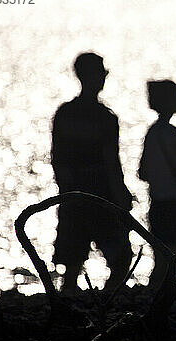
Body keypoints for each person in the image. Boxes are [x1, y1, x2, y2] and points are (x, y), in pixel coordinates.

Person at [51, 52, 133, 293]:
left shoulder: (65, 114)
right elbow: (111, 162)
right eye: (101, 73)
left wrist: (67, 192)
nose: (104, 78)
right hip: (101, 197)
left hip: (74, 196)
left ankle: (70, 308)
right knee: (120, 258)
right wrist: (121, 196)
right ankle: (105, 302)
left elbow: (58, 159)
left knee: (73, 262)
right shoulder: (105, 118)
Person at [138, 80, 176, 288]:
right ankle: (162, 295)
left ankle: (154, 293)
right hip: (175, 201)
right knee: (171, 255)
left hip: (157, 201)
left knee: (160, 256)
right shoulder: (173, 133)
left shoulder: (152, 133)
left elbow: (142, 172)